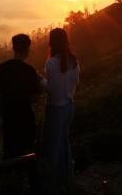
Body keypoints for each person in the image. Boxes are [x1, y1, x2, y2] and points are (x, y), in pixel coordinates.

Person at [0, 33, 41, 158]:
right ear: (28, 49)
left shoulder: (3, 68)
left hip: (9, 119)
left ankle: (10, 176)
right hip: (26, 119)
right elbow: (36, 98)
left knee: (9, 154)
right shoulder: (29, 71)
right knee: (27, 154)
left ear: (13, 48)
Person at [41, 27, 79, 183]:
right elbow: (74, 84)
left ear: (51, 42)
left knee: (53, 147)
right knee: (64, 143)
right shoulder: (74, 61)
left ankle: (52, 182)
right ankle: (66, 177)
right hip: (69, 107)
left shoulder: (51, 63)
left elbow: (51, 90)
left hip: (56, 109)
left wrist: (39, 81)